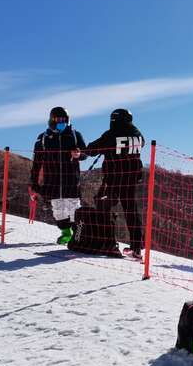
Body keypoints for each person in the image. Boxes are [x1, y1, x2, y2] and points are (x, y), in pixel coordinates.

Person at [86, 108, 145, 259]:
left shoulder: (111, 134)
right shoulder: (137, 134)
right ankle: (137, 246)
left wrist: (84, 150)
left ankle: (109, 243)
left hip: (113, 178)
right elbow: (141, 144)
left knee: (103, 205)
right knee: (131, 210)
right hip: (131, 178)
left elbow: (93, 149)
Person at [29, 106, 86, 244]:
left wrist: (79, 154)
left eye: (64, 119)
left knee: (74, 208)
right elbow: (36, 162)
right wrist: (34, 183)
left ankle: (77, 235)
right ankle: (65, 233)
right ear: (51, 120)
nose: (61, 121)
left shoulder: (74, 134)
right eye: (58, 119)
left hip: (71, 179)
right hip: (52, 181)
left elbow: (85, 153)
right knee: (58, 209)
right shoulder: (43, 138)